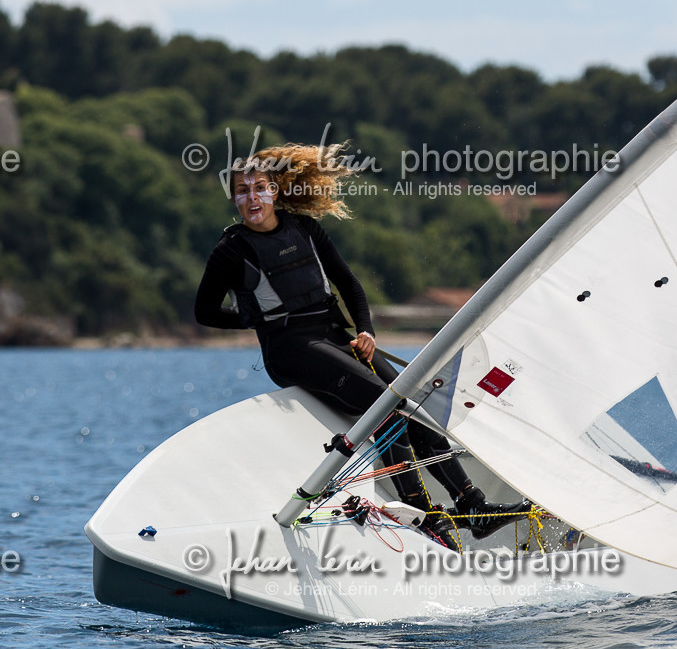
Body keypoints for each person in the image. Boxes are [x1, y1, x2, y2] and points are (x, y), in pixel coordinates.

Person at [193, 142, 524, 549]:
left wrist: (365, 330)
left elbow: (348, 283)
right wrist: (252, 320)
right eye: (241, 192)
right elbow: (204, 313)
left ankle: (472, 504)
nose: (251, 198)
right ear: (234, 200)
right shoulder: (231, 251)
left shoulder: (305, 229)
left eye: (258, 187)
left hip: (337, 335)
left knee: (413, 408)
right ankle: (425, 517)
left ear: (275, 191)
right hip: (290, 348)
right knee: (384, 409)